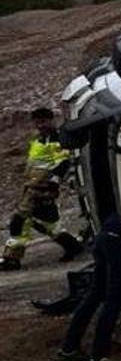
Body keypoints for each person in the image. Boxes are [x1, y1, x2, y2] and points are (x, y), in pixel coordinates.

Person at [52, 214, 121, 361]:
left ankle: (69, 350)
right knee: (114, 298)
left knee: (94, 296)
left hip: (106, 234)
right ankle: (99, 358)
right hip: (116, 238)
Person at [1, 107, 83, 271]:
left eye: (43, 121)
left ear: (51, 120)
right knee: (44, 222)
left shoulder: (57, 140)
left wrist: (54, 182)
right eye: (37, 122)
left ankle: (12, 257)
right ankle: (71, 245)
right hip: (32, 187)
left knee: (20, 220)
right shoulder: (39, 140)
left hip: (42, 188)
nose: (40, 125)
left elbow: (62, 163)